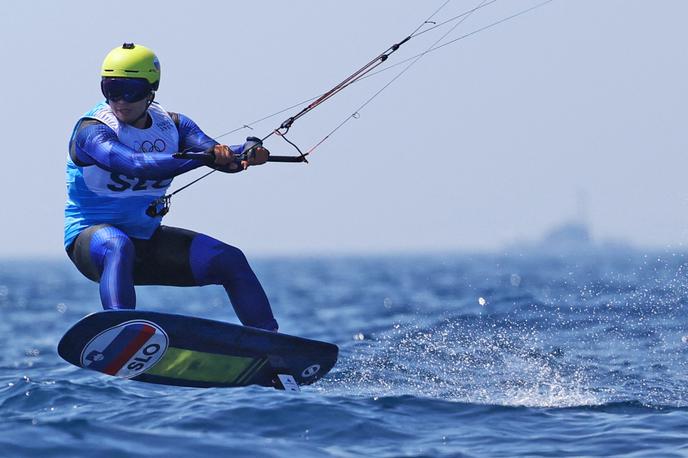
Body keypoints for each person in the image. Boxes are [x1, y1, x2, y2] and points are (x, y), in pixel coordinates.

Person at [64, 43, 278, 332]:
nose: (120, 101)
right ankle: (122, 332)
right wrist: (207, 158)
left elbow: (217, 155)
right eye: (111, 89)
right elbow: (136, 164)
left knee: (229, 260)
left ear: (151, 91)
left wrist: (246, 152)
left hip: (146, 242)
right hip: (92, 243)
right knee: (117, 244)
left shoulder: (175, 126)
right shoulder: (92, 131)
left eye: (130, 90)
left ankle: (270, 346)